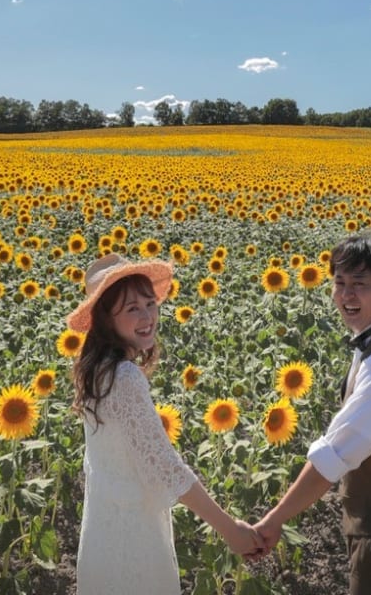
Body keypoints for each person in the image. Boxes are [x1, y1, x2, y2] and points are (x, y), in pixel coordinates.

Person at [253, 233, 371, 594]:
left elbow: (335, 455)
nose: (346, 295)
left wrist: (273, 520)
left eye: (360, 285)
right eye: (339, 283)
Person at [67, 253, 262, 594]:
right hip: (132, 539)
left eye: (150, 303)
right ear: (105, 320)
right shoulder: (124, 377)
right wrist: (230, 530)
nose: (147, 317)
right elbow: (166, 468)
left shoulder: (97, 372)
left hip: (102, 533)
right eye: (131, 309)